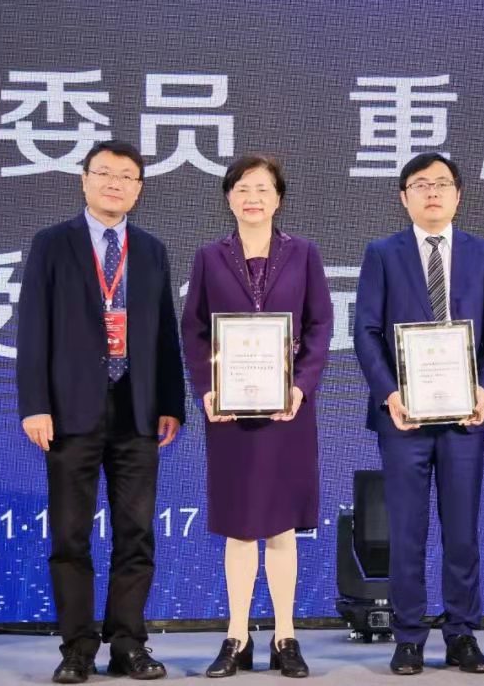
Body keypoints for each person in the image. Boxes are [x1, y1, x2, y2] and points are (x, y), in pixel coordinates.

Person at [16, 140, 186, 684]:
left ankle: (129, 643)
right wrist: (35, 405)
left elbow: (164, 331)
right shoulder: (53, 243)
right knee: (70, 536)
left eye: (127, 176)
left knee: (136, 532)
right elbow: (32, 328)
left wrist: (171, 403)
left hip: (138, 410)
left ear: (139, 189)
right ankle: (77, 648)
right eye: (105, 173)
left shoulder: (151, 250)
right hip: (70, 411)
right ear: (84, 179)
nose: (115, 183)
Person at [353, 153, 484, 676]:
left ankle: (462, 633)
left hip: (466, 417)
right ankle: (408, 637)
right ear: (404, 197)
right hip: (403, 418)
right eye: (420, 185)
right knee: (407, 532)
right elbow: (366, 331)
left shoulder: (483, 252)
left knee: (462, 532)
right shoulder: (382, 253)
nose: (432, 193)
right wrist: (389, 394)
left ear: (458, 195)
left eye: (442, 184)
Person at [180, 154, 333, 679]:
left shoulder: (304, 253)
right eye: (243, 188)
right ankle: (237, 636)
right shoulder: (209, 256)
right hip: (230, 414)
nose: (253, 197)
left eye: (263, 188)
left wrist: (300, 387)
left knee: (282, 527)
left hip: (287, 411)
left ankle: (286, 636)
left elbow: (320, 326)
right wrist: (207, 389)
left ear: (278, 199)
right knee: (240, 528)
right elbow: (194, 330)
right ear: (229, 197)